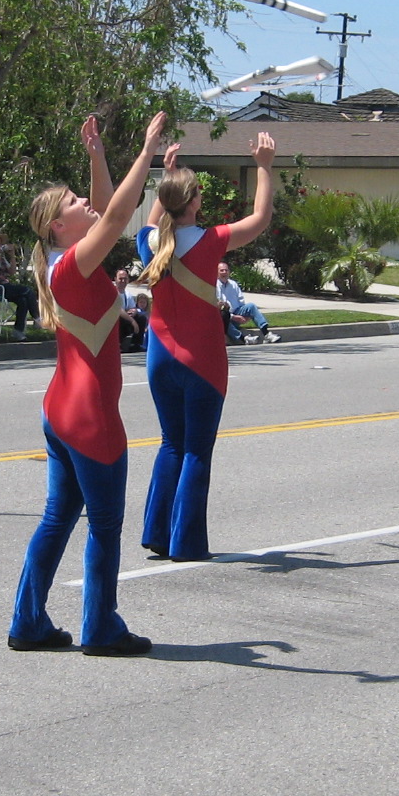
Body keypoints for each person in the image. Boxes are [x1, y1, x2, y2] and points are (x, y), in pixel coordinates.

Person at [9, 111, 169, 655]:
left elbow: (105, 211)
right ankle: (101, 627)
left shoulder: (66, 260)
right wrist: (146, 150)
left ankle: (28, 621)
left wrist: (99, 154)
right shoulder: (73, 265)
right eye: (75, 200)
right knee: (103, 526)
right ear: (59, 224)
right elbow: (121, 213)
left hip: (61, 410)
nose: (86, 203)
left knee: (58, 519)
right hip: (90, 417)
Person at [134, 130, 280, 565]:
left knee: (170, 444)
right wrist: (265, 166)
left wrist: (166, 172)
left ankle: (157, 534)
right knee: (197, 448)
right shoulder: (212, 239)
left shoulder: (150, 242)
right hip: (202, 361)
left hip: (159, 355)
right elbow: (261, 218)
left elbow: (152, 216)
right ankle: (187, 543)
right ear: (194, 202)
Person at [0, 231, 36, 338]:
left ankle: (18, 331)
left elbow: (12, 272)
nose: (0, 246)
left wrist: (12, 255)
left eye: (0, 244)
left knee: (23, 300)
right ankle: (37, 318)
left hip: (5, 287)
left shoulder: (2, 259)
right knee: (27, 290)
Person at [215, 261, 278, 343]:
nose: (224, 272)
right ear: (217, 272)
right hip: (225, 316)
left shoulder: (233, 284)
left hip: (237, 311)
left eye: (226, 270)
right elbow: (218, 308)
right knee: (223, 320)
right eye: (222, 270)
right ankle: (244, 339)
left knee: (251, 306)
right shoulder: (215, 285)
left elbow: (241, 301)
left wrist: (246, 315)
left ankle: (267, 334)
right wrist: (233, 317)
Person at [114, 267, 148, 350]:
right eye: (120, 279)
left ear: (128, 280)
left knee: (141, 317)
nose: (123, 281)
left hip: (126, 322)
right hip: (114, 323)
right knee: (119, 318)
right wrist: (132, 321)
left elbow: (133, 307)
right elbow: (117, 309)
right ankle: (118, 345)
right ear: (115, 279)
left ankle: (135, 344)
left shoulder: (127, 294)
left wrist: (134, 311)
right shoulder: (112, 292)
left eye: (125, 279)